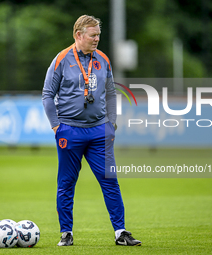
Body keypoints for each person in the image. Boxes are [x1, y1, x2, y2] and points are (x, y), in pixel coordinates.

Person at [42, 14, 141, 247]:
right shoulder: (61, 60)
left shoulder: (103, 60)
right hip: (70, 131)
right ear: (79, 35)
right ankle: (66, 233)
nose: (97, 39)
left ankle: (121, 232)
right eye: (93, 35)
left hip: (99, 132)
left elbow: (111, 93)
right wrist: (57, 126)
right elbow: (48, 95)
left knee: (110, 181)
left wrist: (112, 123)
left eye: (99, 35)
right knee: (66, 183)